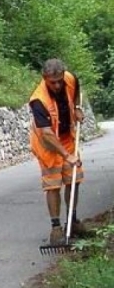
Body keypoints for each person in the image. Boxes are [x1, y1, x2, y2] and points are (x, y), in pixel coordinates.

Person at [29, 58, 88, 245]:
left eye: (59, 81)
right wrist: (66, 155)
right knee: (53, 185)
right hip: (48, 146)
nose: (56, 85)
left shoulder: (70, 79)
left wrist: (77, 107)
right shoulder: (38, 100)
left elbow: (77, 89)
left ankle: (73, 221)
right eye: (51, 82)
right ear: (44, 78)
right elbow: (46, 133)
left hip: (67, 139)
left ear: (63, 75)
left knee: (74, 180)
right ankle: (56, 229)